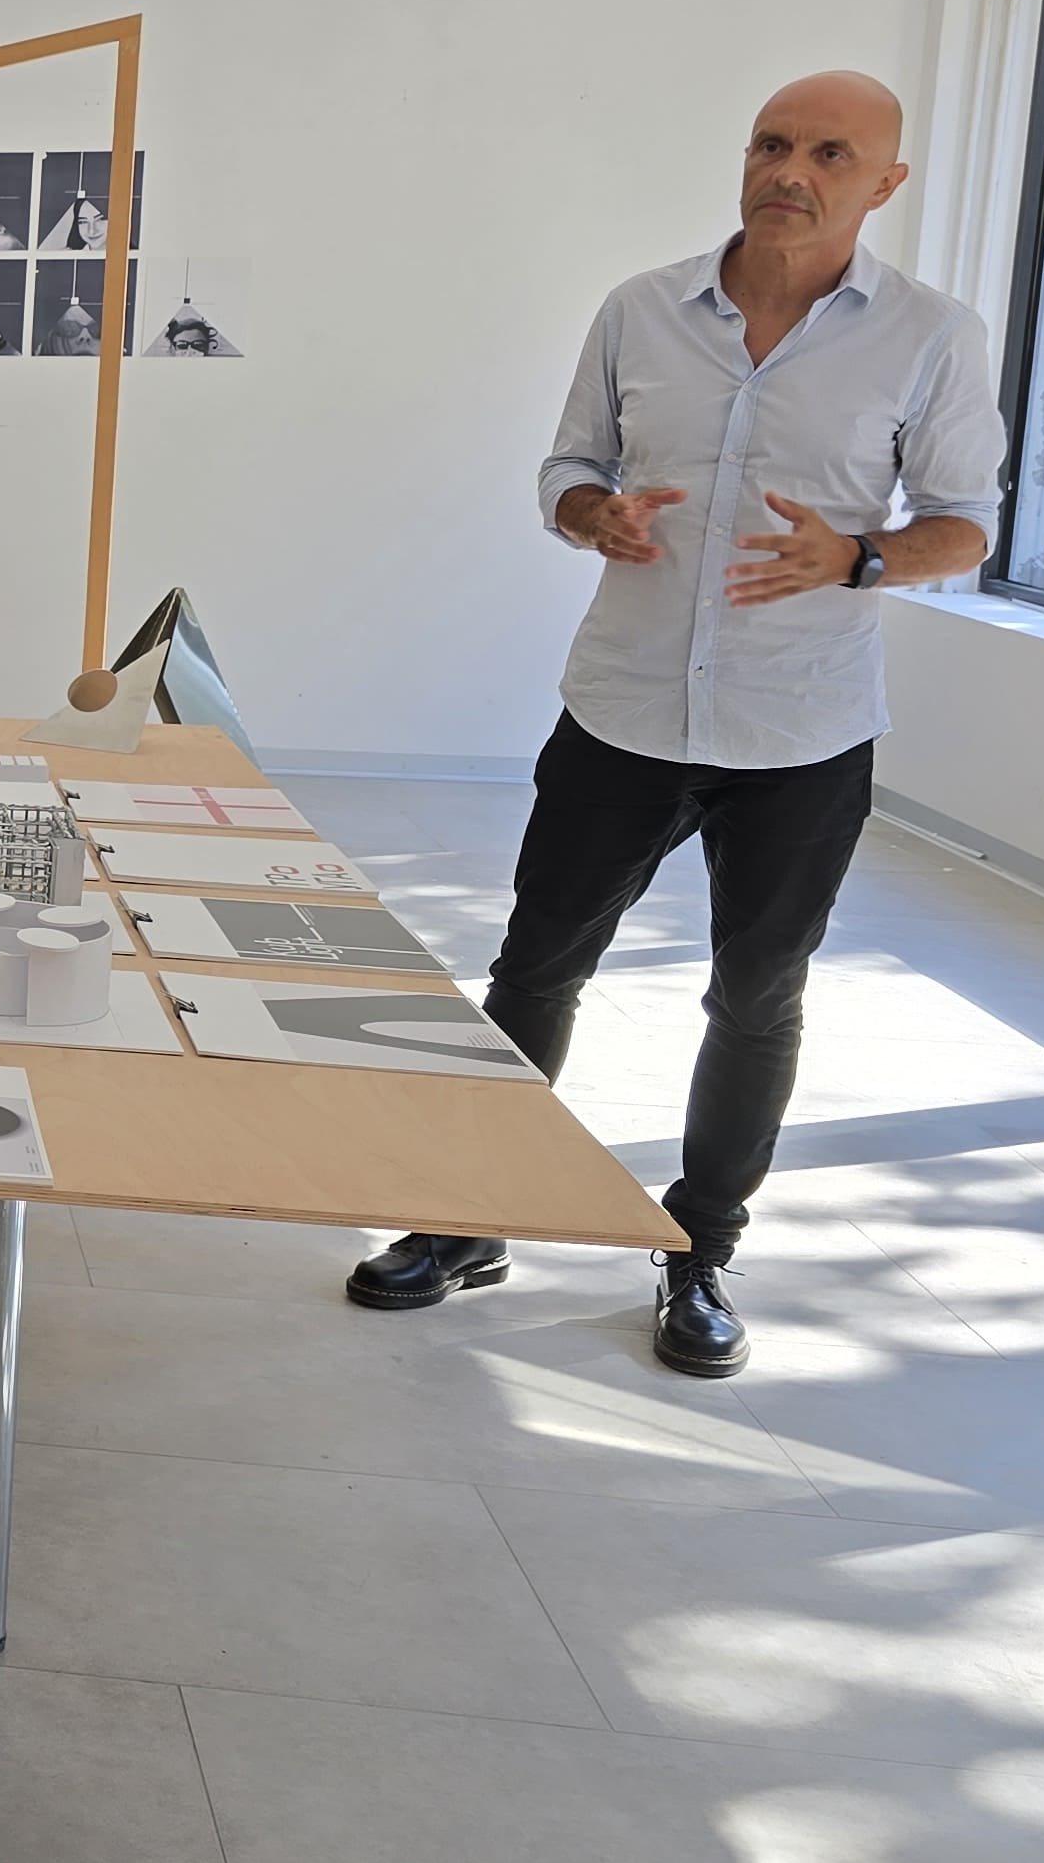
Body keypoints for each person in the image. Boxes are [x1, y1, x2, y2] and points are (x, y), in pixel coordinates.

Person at [345, 73, 1005, 1377]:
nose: (790, 171)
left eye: (829, 153)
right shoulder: (640, 310)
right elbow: (566, 469)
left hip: (800, 734)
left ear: (885, 184)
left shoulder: (932, 335)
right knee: (535, 970)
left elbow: (965, 524)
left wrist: (856, 558)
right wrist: (593, 515)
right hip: (625, 710)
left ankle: (699, 1252)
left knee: (756, 1001)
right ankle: (468, 1216)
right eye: (771, 143)